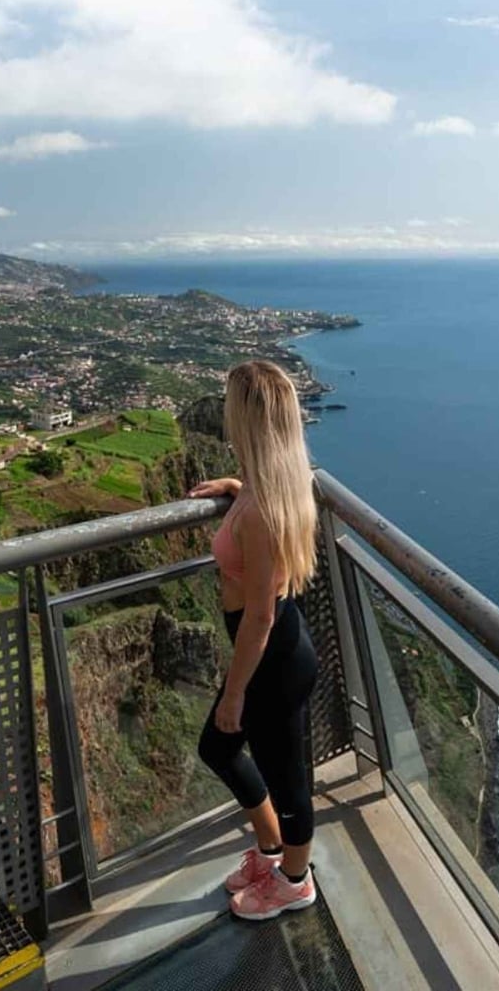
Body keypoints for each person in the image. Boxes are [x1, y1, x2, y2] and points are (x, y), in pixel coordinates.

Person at [189, 359, 320, 921]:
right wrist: (235, 489)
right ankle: (271, 850)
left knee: (286, 778)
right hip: (275, 653)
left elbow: (259, 618)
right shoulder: (267, 489)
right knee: (219, 749)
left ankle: (295, 881)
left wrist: (234, 693)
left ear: (248, 421)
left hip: (271, 659)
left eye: (230, 405)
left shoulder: (265, 511)